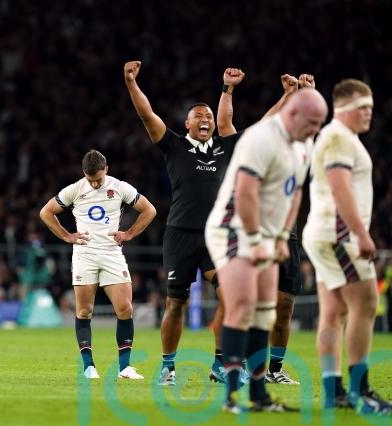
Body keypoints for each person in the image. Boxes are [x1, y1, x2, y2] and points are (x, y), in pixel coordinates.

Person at [125, 61, 249, 385]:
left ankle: (221, 364)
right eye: (199, 116)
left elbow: (236, 122)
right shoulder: (175, 145)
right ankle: (168, 366)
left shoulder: (224, 146)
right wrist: (131, 83)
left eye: (209, 117)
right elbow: (147, 116)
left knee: (230, 296)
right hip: (180, 234)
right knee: (176, 303)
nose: (206, 119)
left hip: (215, 236)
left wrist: (229, 89)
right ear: (187, 124)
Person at [205, 88, 327, 413]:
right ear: (293, 114)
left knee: (264, 312)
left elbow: (295, 193)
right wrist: (257, 240)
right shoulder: (261, 139)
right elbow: (245, 194)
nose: (316, 130)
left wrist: (281, 236)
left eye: (320, 124)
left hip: (268, 233)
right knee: (242, 306)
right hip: (234, 228)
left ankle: (259, 396)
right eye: (312, 122)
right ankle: (232, 397)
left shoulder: (303, 144)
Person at [302, 79, 392, 414]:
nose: (369, 113)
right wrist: (361, 233)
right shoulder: (340, 137)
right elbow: (340, 187)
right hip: (338, 235)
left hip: (324, 232)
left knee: (334, 312)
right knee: (366, 303)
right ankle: (359, 392)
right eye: (362, 107)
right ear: (343, 108)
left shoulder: (336, 135)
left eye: (370, 107)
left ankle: (333, 391)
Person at [39, 149, 156, 379]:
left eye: (98, 179)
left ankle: (125, 368)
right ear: (84, 173)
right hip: (85, 255)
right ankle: (88, 367)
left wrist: (129, 233)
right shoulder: (75, 189)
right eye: (90, 179)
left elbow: (149, 210)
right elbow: (46, 212)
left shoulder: (119, 187)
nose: (94, 184)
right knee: (84, 311)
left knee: (125, 308)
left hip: (112, 253)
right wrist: (66, 236)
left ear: (106, 170)